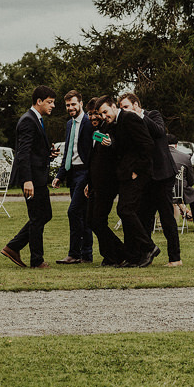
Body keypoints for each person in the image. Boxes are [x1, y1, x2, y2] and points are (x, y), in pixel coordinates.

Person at [118, 93, 181, 267]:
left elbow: (160, 132)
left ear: (136, 105)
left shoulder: (152, 115)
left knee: (167, 216)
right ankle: (144, 254)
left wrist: (140, 116)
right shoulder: (127, 123)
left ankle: (175, 258)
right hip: (145, 177)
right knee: (144, 217)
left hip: (162, 174)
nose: (124, 111)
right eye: (121, 108)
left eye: (126, 107)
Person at [97, 95, 161, 267]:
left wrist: (137, 170)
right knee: (125, 211)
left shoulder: (129, 117)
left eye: (105, 112)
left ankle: (149, 247)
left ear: (113, 107)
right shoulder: (114, 124)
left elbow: (147, 145)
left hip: (138, 174)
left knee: (125, 210)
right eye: (101, 114)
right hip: (126, 174)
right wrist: (111, 144)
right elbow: (125, 148)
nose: (104, 117)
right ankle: (134, 255)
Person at [1, 85, 60, 269]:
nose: (53, 106)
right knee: (38, 217)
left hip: (38, 176)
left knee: (44, 215)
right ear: (39, 101)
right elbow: (22, 153)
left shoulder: (37, 119)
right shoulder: (28, 120)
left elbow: (33, 150)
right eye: (50, 102)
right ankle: (36, 260)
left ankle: (14, 246)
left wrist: (48, 154)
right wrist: (27, 180)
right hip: (32, 179)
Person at [51, 90, 94, 264]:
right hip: (72, 173)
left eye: (74, 104)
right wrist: (60, 175)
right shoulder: (69, 124)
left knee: (73, 211)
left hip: (85, 172)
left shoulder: (89, 122)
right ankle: (85, 255)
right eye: (68, 105)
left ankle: (75, 253)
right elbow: (68, 150)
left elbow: (93, 151)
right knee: (82, 215)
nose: (71, 108)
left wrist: (91, 178)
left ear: (81, 104)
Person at [83, 97, 126, 266]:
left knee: (98, 221)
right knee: (91, 220)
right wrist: (89, 182)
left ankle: (118, 254)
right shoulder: (94, 131)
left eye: (96, 114)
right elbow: (94, 160)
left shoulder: (109, 128)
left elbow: (117, 148)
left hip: (108, 183)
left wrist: (111, 144)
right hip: (95, 183)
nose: (93, 117)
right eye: (90, 114)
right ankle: (111, 254)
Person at [166, 134, 194, 232]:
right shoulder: (185, 157)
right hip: (180, 192)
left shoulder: (158, 157)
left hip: (162, 192)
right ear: (176, 145)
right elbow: (190, 180)